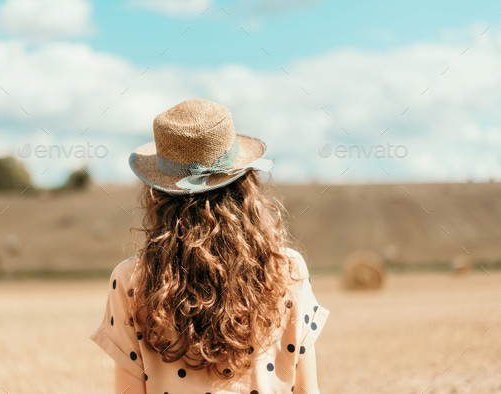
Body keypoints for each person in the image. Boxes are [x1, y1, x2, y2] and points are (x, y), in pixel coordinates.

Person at [90, 98, 329, 393]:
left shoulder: (130, 281)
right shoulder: (288, 270)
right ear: (246, 183)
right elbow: (307, 390)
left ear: (158, 194)